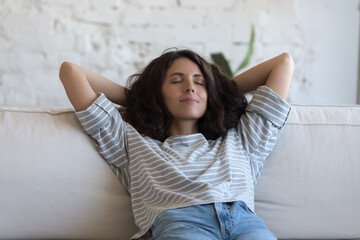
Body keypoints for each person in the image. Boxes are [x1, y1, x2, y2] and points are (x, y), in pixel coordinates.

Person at [59, 49, 293, 240]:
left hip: (245, 223)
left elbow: (283, 64)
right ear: (157, 94)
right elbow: (71, 72)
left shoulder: (241, 138)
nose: (190, 87)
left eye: (200, 82)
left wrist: (218, 91)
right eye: (176, 81)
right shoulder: (132, 142)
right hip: (181, 222)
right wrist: (142, 99)